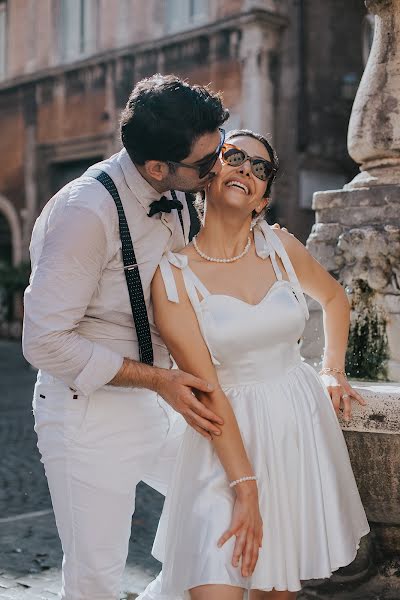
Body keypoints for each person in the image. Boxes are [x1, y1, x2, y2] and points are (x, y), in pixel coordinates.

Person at [22, 74, 234, 600]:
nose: (217, 169)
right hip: (87, 412)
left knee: (228, 507)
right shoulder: (83, 212)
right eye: (206, 164)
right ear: (158, 166)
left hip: (164, 402)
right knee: (96, 577)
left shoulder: (179, 189)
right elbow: (44, 341)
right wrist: (159, 380)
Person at [144, 129, 370, 600]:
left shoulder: (282, 250)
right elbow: (206, 387)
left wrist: (333, 369)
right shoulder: (173, 276)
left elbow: (333, 297)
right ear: (209, 175)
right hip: (220, 439)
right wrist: (245, 487)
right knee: (212, 584)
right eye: (235, 156)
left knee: (274, 589)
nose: (247, 168)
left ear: (263, 198)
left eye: (260, 167)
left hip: (292, 430)